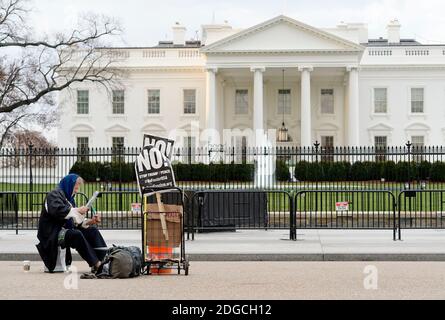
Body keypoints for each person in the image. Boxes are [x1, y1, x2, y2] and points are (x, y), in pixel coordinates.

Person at [36, 174, 107, 273]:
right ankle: (96, 264)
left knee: (92, 231)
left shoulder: (69, 200)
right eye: (75, 188)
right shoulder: (53, 194)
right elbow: (58, 211)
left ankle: (103, 260)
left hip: (64, 231)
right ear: (69, 185)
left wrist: (91, 221)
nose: (76, 191)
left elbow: (75, 222)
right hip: (52, 233)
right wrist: (78, 210)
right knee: (76, 235)